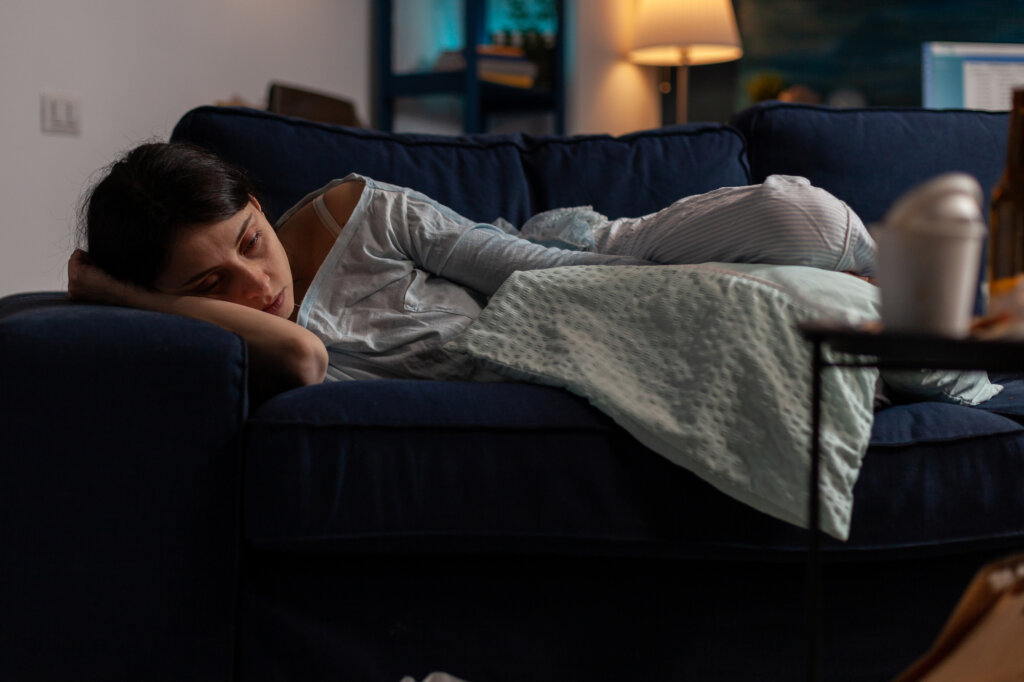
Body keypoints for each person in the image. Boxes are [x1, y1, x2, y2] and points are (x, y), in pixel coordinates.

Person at [69, 142, 877, 393]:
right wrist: (116, 297)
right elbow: (306, 356)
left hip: (567, 254)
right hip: (547, 346)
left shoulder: (361, 213)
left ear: (253, 197)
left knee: (803, 222)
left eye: (249, 242)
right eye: (211, 288)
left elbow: (547, 270)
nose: (257, 286)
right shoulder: (236, 342)